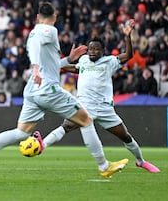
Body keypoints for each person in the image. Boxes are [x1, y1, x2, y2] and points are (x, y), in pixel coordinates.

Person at [0, 2, 129, 179]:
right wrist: (35, 67)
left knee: (22, 132)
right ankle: (104, 166)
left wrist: (69, 59)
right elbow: (37, 48)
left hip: (33, 89)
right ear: (54, 17)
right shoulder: (49, 30)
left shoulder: (33, 32)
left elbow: (51, 65)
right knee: (86, 120)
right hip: (48, 89)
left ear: (37, 17)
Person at [41, 19, 160, 173]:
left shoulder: (110, 61)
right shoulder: (83, 60)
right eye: (90, 49)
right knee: (67, 126)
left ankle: (141, 161)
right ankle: (42, 145)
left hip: (105, 108)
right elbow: (76, 69)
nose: (92, 52)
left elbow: (129, 55)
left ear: (103, 51)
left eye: (96, 49)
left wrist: (127, 36)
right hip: (84, 105)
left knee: (126, 136)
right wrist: (58, 66)